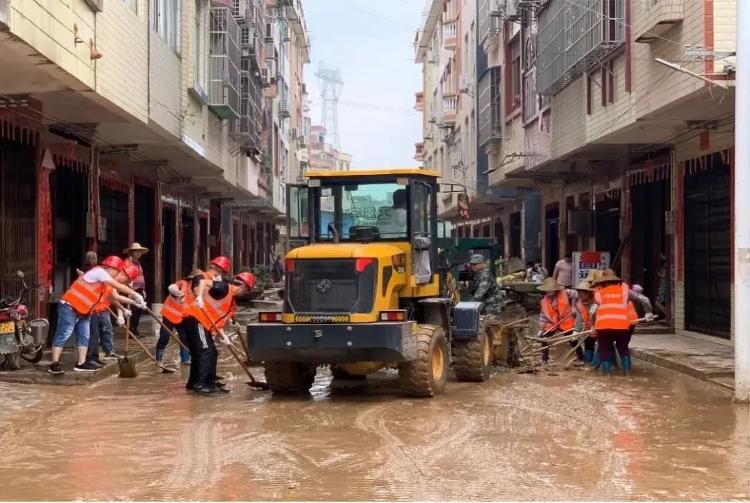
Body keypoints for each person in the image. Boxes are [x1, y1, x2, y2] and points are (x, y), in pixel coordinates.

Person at [49, 256, 144, 375]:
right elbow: (118, 287)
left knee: (84, 336)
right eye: (117, 271)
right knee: (64, 333)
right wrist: (135, 294)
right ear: (110, 268)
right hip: (70, 306)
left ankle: (81, 364)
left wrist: (134, 303)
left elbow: (115, 296)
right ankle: (54, 364)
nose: (118, 274)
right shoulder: (99, 272)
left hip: (84, 310)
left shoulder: (105, 280)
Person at [181, 271, 255, 395]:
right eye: (246, 290)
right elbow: (203, 282)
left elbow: (218, 321)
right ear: (243, 286)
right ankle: (202, 385)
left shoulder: (231, 302)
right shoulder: (225, 287)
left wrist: (224, 336)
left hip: (203, 323)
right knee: (206, 351)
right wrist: (199, 297)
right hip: (196, 318)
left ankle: (197, 382)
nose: (245, 294)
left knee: (210, 352)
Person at [590, 269, 653, 375]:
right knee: (623, 349)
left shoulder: (599, 294)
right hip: (621, 326)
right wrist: (648, 312)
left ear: (604, 282)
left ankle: (607, 375)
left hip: (603, 326)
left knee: (604, 349)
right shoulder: (625, 291)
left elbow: (592, 312)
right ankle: (627, 374)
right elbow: (644, 300)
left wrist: (592, 325)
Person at [84, 262, 140, 368]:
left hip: (103, 308)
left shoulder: (113, 280)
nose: (126, 282)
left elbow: (113, 297)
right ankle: (91, 358)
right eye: (127, 280)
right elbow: (114, 297)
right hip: (94, 308)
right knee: (94, 335)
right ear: (123, 275)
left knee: (107, 330)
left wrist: (123, 309)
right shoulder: (108, 278)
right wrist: (124, 309)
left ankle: (106, 353)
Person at [155, 269, 205, 366]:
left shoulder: (198, 293)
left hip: (182, 318)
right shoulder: (183, 283)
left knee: (185, 338)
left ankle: (185, 359)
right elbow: (171, 287)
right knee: (164, 337)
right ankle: (158, 360)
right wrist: (180, 294)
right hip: (169, 315)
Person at [537, 277, 578, 363]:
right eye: (547, 290)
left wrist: (573, 306)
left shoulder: (565, 292)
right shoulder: (544, 301)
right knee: (544, 338)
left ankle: (581, 357)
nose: (549, 292)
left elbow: (576, 294)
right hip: (552, 323)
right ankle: (545, 360)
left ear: (555, 289)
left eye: (551, 290)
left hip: (565, 321)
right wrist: (540, 330)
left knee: (573, 338)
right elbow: (543, 316)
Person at [123, 242, 149, 337]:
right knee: (133, 311)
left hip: (139, 290)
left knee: (138, 311)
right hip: (132, 290)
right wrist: (129, 288)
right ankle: (130, 331)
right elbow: (125, 276)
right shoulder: (128, 262)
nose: (138, 253)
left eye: (139, 252)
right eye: (136, 252)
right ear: (131, 252)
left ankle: (134, 329)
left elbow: (141, 276)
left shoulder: (137, 263)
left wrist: (143, 289)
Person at [574, 280, 597, 365]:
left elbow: (597, 315)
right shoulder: (580, 304)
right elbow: (578, 319)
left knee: (605, 347)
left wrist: (594, 326)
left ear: (588, 293)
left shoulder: (596, 302)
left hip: (600, 327)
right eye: (578, 293)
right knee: (588, 344)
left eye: (582, 293)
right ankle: (588, 363)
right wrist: (576, 330)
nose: (579, 295)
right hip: (589, 330)